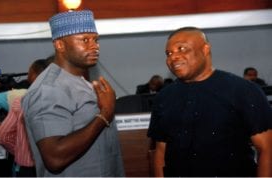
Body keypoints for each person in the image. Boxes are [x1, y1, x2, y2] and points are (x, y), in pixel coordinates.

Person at [147, 27, 272, 177]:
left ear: (205, 49)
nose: (173, 57)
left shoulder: (243, 90)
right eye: (169, 53)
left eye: (181, 48)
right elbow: (161, 151)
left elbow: (266, 148)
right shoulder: (163, 97)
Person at [21, 10, 124, 177]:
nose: (94, 46)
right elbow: (55, 158)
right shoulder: (48, 90)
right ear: (60, 45)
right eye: (84, 40)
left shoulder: (81, 82)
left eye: (95, 40)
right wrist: (105, 114)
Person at [0, 58, 51, 177]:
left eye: (29, 73)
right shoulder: (60, 99)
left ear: (34, 74)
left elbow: (2, 136)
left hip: (27, 169)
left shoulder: (21, 101)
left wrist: (20, 151)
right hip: (55, 168)